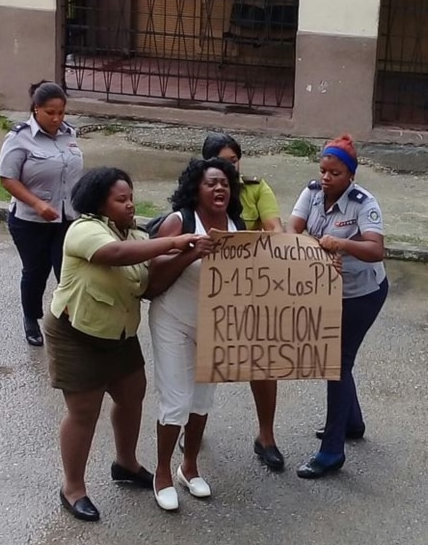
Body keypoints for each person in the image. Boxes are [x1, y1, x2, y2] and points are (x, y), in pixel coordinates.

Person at [45, 166, 208, 522]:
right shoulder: (84, 229)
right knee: (84, 411)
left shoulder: (134, 233)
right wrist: (174, 241)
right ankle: (73, 487)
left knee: (132, 395)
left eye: (132, 197)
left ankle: (126, 463)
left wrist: (189, 255)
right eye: (121, 199)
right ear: (99, 202)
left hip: (119, 335)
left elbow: (149, 285)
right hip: (77, 334)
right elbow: (115, 254)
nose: (131, 205)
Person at [288, 134, 388, 480]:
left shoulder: (364, 203)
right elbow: (293, 229)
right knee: (340, 361)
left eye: (335, 173)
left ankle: (332, 451)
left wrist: (342, 244)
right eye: (324, 170)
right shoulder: (312, 192)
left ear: (351, 176)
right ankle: (353, 423)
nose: (327, 178)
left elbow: (376, 249)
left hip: (363, 294)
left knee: (336, 364)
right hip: (328, 291)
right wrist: (316, 246)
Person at [147, 157, 238, 511]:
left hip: (213, 325)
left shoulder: (237, 226)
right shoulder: (179, 222)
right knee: (177, 401)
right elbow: (151, 279)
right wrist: (188, 254)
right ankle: (162, 474)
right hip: (173, 319)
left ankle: (189, 467)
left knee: (202, 402)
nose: (219, 189)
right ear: (195, 190)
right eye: (211, 183)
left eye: (225, 184)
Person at [199, 131, 286, 470]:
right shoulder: (197, 190)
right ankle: (192, 430)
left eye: (234, 162)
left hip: (253, 289)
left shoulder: (255, 189)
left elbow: (275, 228)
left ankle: (266, 437)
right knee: (205, 364)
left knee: (264, 362)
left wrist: (273, 238)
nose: (229, 170)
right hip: (211, 290)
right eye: (222, 162)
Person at [0, 82, 84, 346]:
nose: (57, 118)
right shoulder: (19, 137)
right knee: (36, 272)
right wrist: (37, 204)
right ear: (36, 109)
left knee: (67, 272)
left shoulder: (69, 134)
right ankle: (31, 319)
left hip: (67, 219)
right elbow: (7, 178)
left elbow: (73, 176)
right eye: (50, 112)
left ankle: (68, 322)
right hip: (30, 221)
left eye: (61, 112)